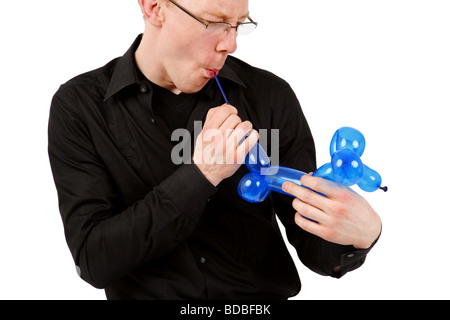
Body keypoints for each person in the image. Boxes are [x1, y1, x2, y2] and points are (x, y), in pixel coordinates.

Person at [48, 0, 381, 300]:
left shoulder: (270, 96)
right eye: (215, 22)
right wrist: (201, 175)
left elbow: (312, 245)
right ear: (154, 7)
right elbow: (95, 261)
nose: (230, 44)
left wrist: (359, 237)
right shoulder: (81, 107)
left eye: (239, 24)